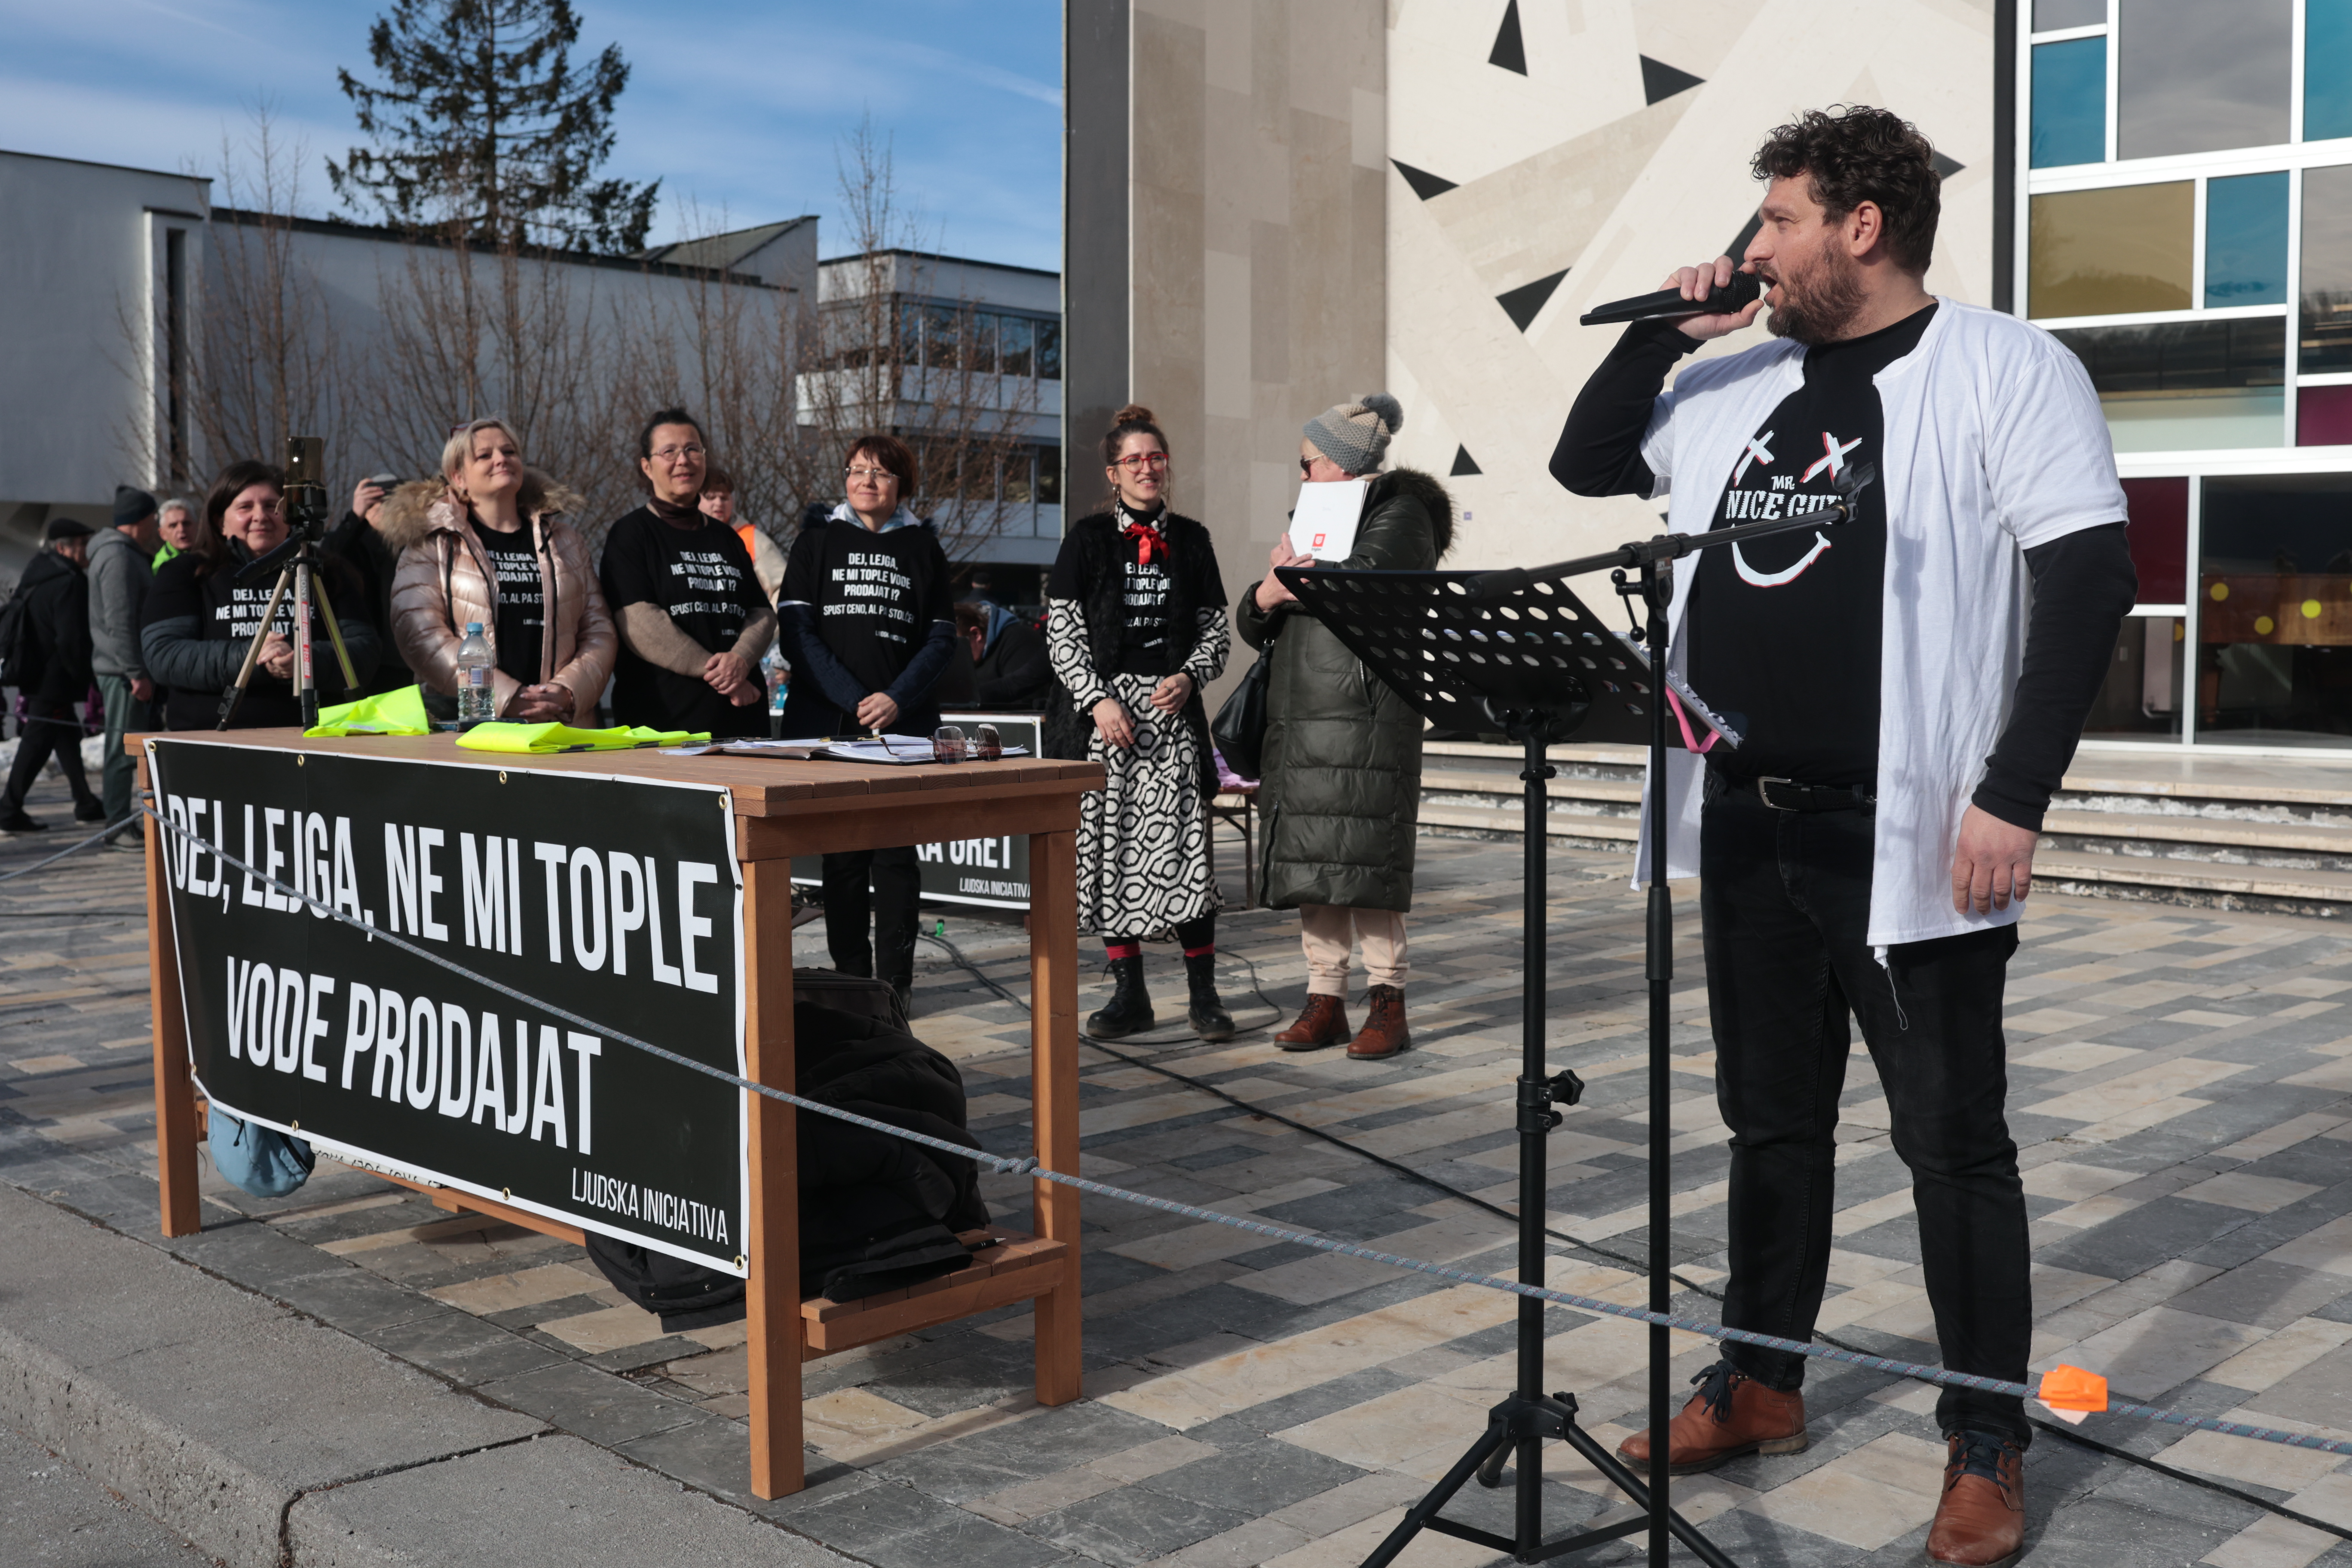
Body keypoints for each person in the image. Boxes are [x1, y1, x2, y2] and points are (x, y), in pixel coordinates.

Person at [1549, 106, 2136, 1566]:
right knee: (1770, 1123)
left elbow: (2087, 580)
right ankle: (1759, 1379)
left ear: (1858, 226)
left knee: (1952, 1142)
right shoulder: (1737, 378)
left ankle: (1985, 1441)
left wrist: (2014, 790)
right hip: (1746, 823)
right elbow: (1584, 458)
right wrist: (1668, 327)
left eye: (1777, 222)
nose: (1756, 247)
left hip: (1912, 834)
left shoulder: (2008, 368)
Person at [1237, 395, 1451, 1062]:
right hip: (1301, 714)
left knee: (1365, 859)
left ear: (1337, 461)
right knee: (1313, 857)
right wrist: (1267, 594)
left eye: (1307, 465)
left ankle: (1388, 1001)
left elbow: (1365, 586)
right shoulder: (1314, 517)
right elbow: (1256, 619)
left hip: (1367, 716)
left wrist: (1292, 582)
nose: (1301, 479)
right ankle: (1324, 999)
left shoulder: (1402, 510)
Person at [1044, 404, 1234, 1041]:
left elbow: (1216, 632)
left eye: (1156, 457)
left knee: (1186, 858)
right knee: (1113, 852)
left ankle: (1204, 995)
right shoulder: (1087, 539)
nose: (1147, 468)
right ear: (1113, 473)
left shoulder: (1194, 538)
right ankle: (1131, 995)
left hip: (1170, 713)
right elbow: (1063, 633)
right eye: (1134, 460)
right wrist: (1097, 700)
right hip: (1107, 718)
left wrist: (1189, 676)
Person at [778, 434, 956, 1010]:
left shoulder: (923, 550)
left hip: (900, 730)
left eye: (879, 473)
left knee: (897, 857)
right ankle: (854, 981)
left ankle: (896, 986)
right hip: (832, 725)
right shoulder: (815, 542)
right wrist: (857, 699)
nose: (865, 481)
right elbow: (798, 636)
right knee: (843, 858)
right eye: (855, 470)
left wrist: (896, 700)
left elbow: (940, 641)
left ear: (902, 483)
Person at [384, 420, 616, 724]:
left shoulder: (566, 541)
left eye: (510, 451)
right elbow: (420, 635)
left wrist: (567, 693)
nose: (501, 459)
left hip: (558, 726)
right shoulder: (433, 544)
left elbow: (599, 631)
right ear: (458, 476)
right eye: (484, 455)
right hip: (469, 730)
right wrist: (506, 697)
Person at [141, 460, 381, 732]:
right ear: (221, 522)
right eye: (245, 507)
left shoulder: (327, 571)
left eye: (272, 506)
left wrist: (303, 660)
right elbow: (164, 655)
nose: (261, 516)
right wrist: (253, 657)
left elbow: (365, 652)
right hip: (213, 737)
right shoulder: (187, 573)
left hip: (316, 737)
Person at [600, 408, 774, 738]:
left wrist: (740, 660)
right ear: (647, 467)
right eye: (670, 451)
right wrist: (723, 676)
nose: (684, 460)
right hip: (666, 725)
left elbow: (761, 612)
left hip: (741, 720)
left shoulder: (727, 537)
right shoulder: (630, 534)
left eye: (693, 449)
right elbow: (639, 623)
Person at [0, 519, 102, 833]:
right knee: (38, 739)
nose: (87, 550)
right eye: (82, 544)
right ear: (63, 548)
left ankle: (85, 801)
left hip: (36, 672)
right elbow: (71, 638)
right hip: (54, 677)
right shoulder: (70, 581)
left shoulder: (38, 575)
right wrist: (84, 674)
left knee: (65, 733)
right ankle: (8, 808)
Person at [89, 486, 161, 845]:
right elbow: (120, 621)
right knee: (120, 749)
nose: (156, 526)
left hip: (122, 669)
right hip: (122, 673)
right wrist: (136, 673)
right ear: (142, 519)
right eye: (154, 518)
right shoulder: (118, 557)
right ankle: (116, 826)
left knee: (122, 747)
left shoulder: (123, 553)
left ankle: (119, 821)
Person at [325, 470, 415, 695]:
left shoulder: (414, 543)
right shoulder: (352, 540)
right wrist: (355, 517)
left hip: (405, 657)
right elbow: (327, 557)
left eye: (393, 503)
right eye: (377, 503)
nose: (386, 510)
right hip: (365, 657)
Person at [700, 466, 787, 607]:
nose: (719, 503)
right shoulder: (681, 538)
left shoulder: (753, 540)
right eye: (711, 497)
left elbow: (783, 588)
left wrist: (769, 626)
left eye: (724, 498)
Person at [955, 600, 1054, 708]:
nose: (952, 656)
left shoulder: (1020, 641)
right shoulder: (976, 655)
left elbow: (1025, 700)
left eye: (956, 646)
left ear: (976, 634)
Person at [153, 497, 198, 565]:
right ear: (162, 534)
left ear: (197, 526)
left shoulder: (212, 552)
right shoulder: (162, 566)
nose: (181, 529)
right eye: (173, 526)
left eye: (186, 523)